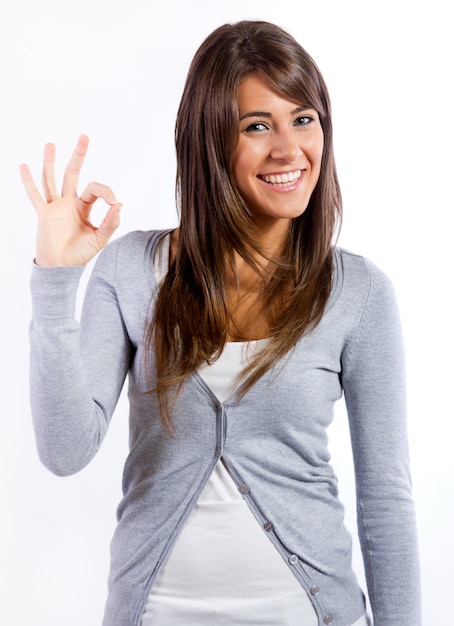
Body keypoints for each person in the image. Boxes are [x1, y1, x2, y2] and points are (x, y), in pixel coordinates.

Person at [20, 20, 421, 626]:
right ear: (209, 143)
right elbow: (65, 451)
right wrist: (55, 280)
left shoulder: (358, 294)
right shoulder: (131, 270)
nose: (289, 150)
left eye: (303, 119)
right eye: (257, 126)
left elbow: (387, 503)